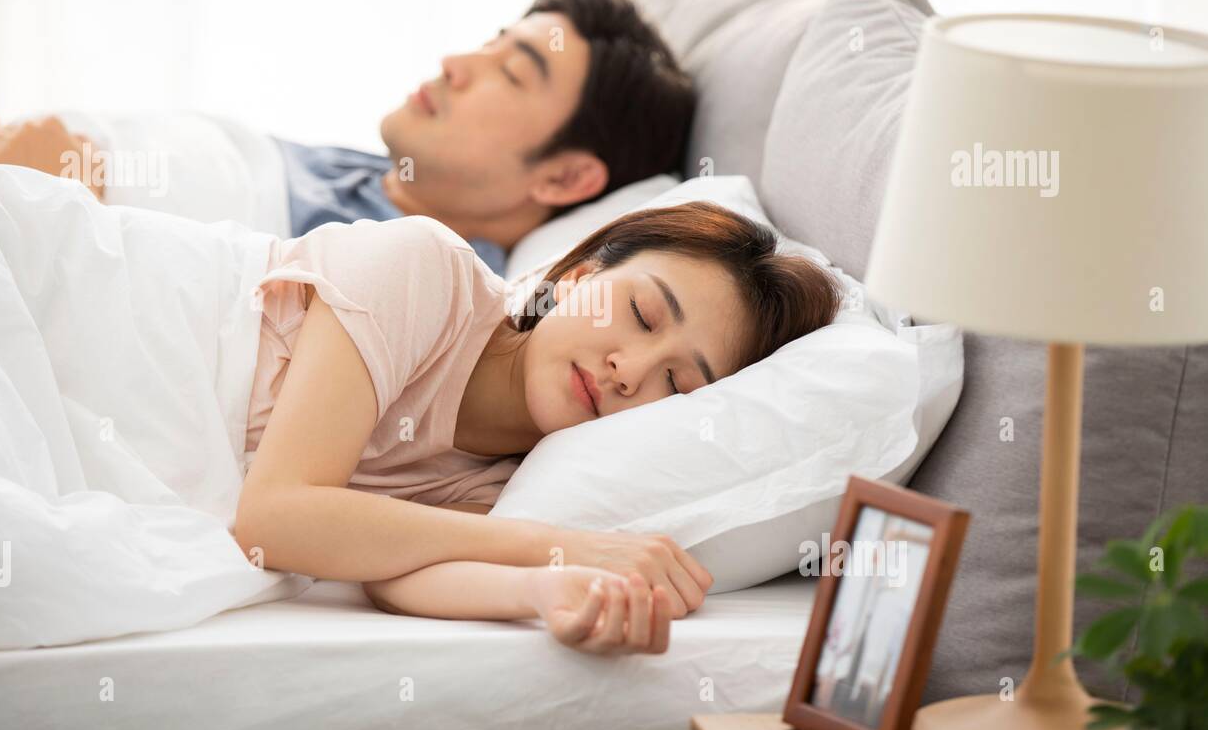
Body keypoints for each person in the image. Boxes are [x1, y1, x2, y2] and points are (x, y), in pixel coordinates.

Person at [234, 199, 842, 656]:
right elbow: (275, 518)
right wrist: (561, 547)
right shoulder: (424, 270)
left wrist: (549, 590)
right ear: (577, 278)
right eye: (639, 314)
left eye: (678, 384)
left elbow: (395, 576)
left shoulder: (511, 485)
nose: (627, 372)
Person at [0, 0, 695, 276]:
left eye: (510, 70)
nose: (457, 61)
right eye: (487, 40)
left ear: (563, 179)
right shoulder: (347, 172)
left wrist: (42, 195)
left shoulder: (432, 288)